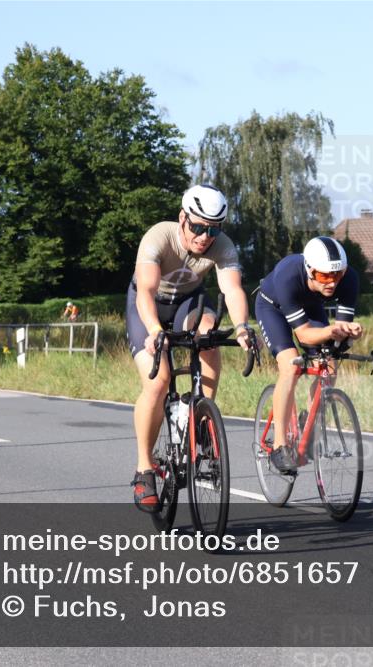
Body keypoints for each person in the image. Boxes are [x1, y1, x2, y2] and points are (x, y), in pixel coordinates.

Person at [127, 184, 256, 510]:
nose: (204, 236)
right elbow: (146, 289)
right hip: (149, 305)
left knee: (209, 336)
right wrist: (155, 330)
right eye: (197, 227)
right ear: (182, 218)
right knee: (158, 381)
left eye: (213, 229)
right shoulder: (160, 236)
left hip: (189, 302)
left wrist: (242, 327)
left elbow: (233, 289)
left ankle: (202, 421)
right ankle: (144, 469)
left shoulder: (222, 246)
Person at [255, 236, 362, 473]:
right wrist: (330, 330)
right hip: (272, 307)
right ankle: (280, 445)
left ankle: (309, 422)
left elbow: (337, 335)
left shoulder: (349, 279)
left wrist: (350, 333)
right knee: (291, 366)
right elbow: (304, 336)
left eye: (337, 275)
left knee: (330, 365)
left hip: (310, 307)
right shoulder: (288, 274)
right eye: (324, 276)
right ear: (309, 270)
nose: (332, 283)